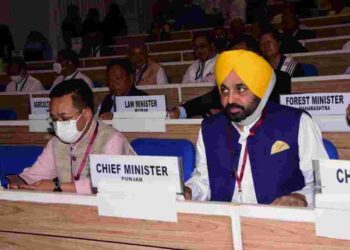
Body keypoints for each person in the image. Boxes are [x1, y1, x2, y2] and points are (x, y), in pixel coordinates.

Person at [184, 50, 329, 207]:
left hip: (282, 223)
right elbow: (203, 178)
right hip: (223, 223)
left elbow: (321, 182)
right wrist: (189, 191)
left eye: (240, 89)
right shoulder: (210, 129)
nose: (230, 99)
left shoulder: (297, 122)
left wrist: (301, 198)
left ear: (260, 90)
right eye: (224, 90)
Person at [7, 79, 135, 194]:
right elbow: (35, 174)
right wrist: (18, 182)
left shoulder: (112, 140)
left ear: (86, 114)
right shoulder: (56, 143)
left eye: (64, 118)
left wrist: (57, 187)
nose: (58, 124)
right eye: (54, 119)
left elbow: (106, 184)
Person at [168, 35, 291, 118]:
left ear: (257, 56)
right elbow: (203, 101)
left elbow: (274, 113)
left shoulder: (280, 79)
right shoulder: (230, 81)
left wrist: (224, 114)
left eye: (240, 56)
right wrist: (180, 111)